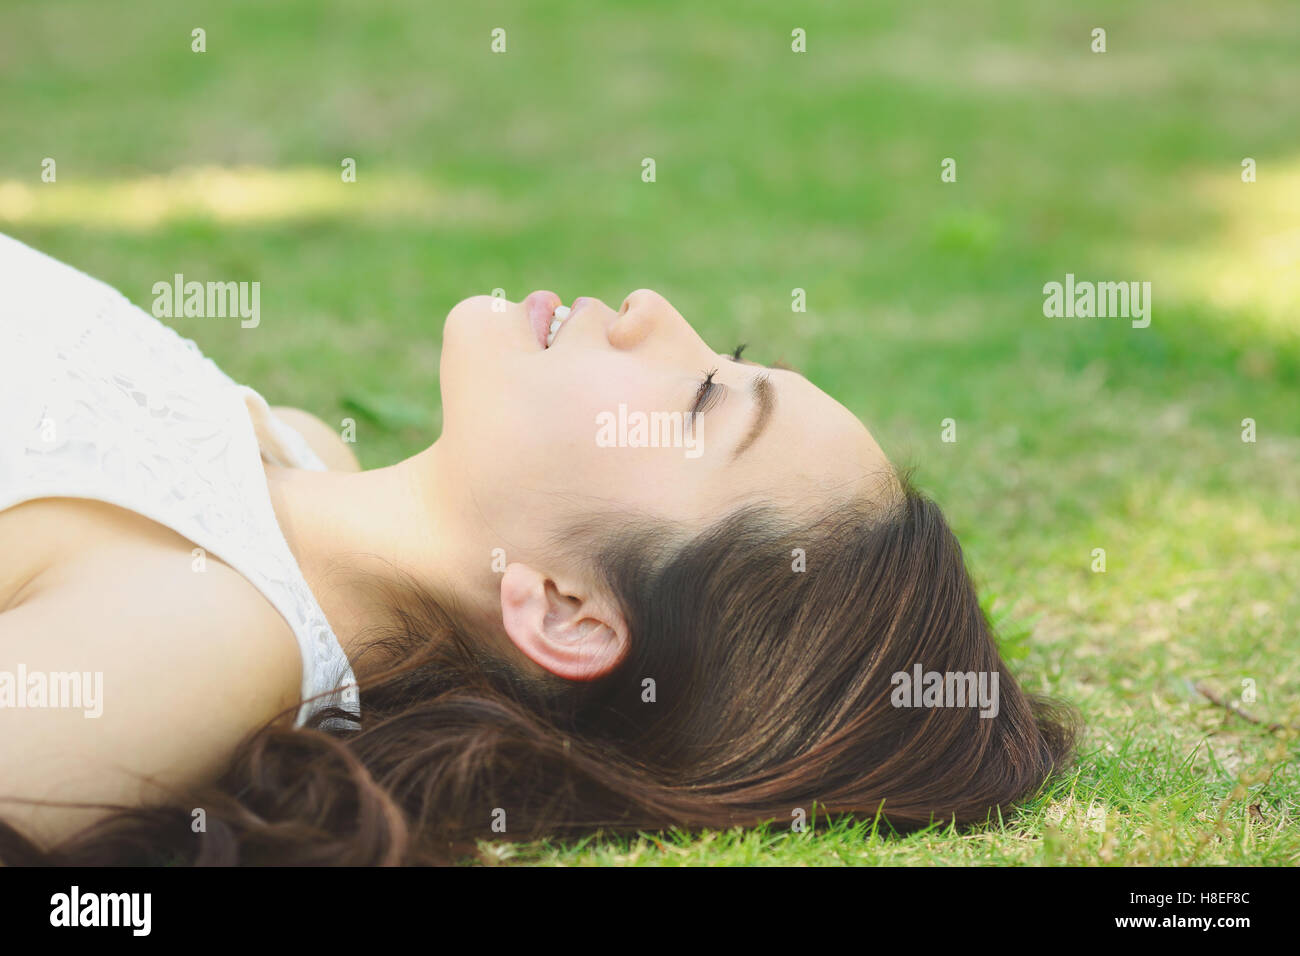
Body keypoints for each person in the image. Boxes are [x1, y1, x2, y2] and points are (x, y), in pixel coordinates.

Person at [0, 232, 1077, 865]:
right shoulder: (297, 452)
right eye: (731, 357)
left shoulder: (202, 639)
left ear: (564, 606)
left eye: (703, 399)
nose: (656, 309)